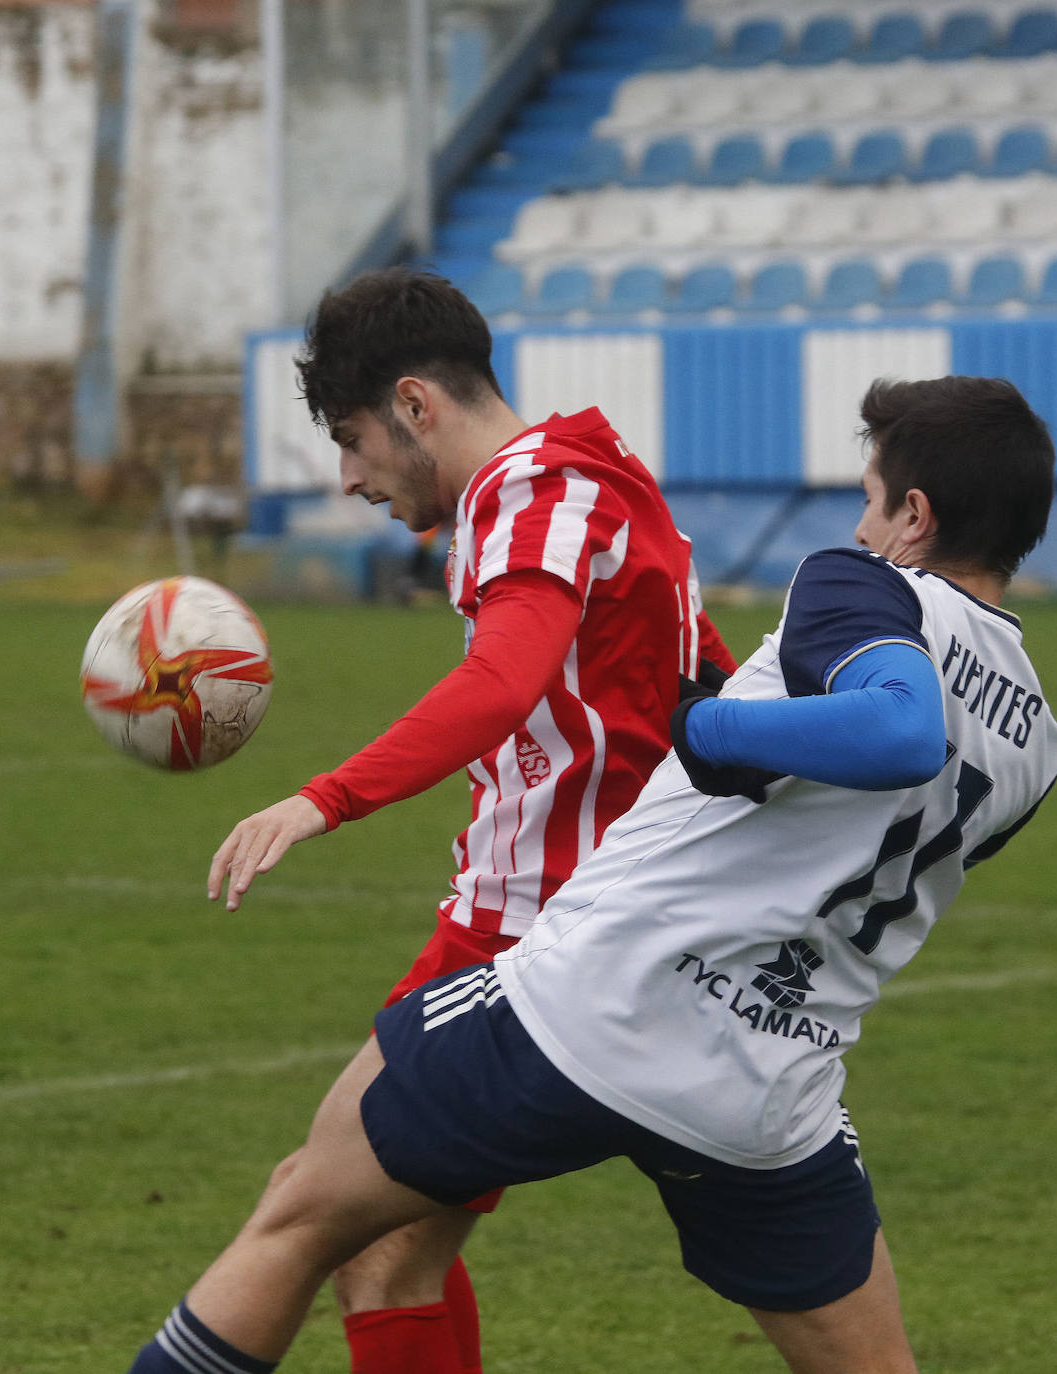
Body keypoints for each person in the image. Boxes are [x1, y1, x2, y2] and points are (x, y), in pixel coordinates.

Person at [127, 374, 1057, 1374]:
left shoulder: (862, 583)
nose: (860, 519)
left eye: (872, 497)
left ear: (914, 517)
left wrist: (709, 728)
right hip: (765, 1087)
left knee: (301, 1220)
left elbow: (899, 729)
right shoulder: (1039, 743)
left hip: (590, 1011)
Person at [200, 268, 735, 1374]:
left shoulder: (529, 494)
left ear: (414, 405)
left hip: (537, 931)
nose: (348, 478)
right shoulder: (597, 473)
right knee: (387, 1247)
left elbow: (502, 682)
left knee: (317, 1216)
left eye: (351, 440)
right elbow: (705, 676)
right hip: (612, 918)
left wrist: (322, 798)